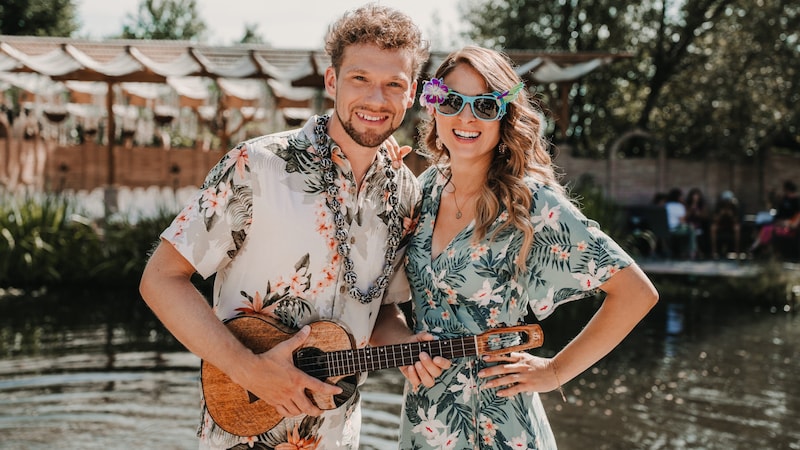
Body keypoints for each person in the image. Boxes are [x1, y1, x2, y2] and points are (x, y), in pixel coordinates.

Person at [139, 5, 446, 449]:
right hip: (241, 435)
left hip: (338, 438)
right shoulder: (257, 167)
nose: (376, 99)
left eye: (393, 84)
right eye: (360, 78)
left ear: (411, 93)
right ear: (332, 80)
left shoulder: (405, 194)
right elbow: (160, 279)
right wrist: (249, 370)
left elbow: (380, 308)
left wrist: (409, 348)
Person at [396, 46, 658, 449]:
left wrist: (555, 372)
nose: (466, 117)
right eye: (451, 101)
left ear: (505, 117)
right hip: (426, 421)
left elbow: (635, 293)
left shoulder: (530, 205)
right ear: (433, 107)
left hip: (499, 423)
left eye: (485, 106)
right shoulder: (421, 190)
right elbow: (383, 295)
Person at [749, 179, 800, 255]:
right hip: (779, 223)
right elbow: (779, 212)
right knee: (762, 225)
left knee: (767, 229)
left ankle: (757, 247)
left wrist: (787, 223)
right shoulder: (784, 199)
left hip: (788, 225)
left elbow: (795, 220)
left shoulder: (797, 202)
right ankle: (758, 246)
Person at [664, 187, 697, 259]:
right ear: (678, 197)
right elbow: (682, 221)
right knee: (691, 229)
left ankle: (683, 252)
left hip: (665, 229)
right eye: (682, 196)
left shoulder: (666, 205)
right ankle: (692, 252)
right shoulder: (679, 206)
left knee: (687, 229)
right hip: (675, 229)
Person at [710, 190, 741, 259]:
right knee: (713, 228)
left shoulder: (734, 206)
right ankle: (714, 251)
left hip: (731, 225)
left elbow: (737, 220)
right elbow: (715, 220)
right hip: (721, 225)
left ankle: (737, 251)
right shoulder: (719, 205)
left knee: (737, 228)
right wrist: (721, 214)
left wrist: (731, 215)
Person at [685, 187, 710, 258]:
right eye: (694, 195)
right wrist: (691, 209)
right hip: (689, 224)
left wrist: (697, 213)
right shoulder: (687, 204)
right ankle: (694, 251)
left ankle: (699, 251)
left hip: (700, 224)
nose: (695, 197)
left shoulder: (702, 205)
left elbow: (705, 216)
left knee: (698, 232)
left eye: (697, 195)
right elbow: (685, 216)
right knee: (692, 229)